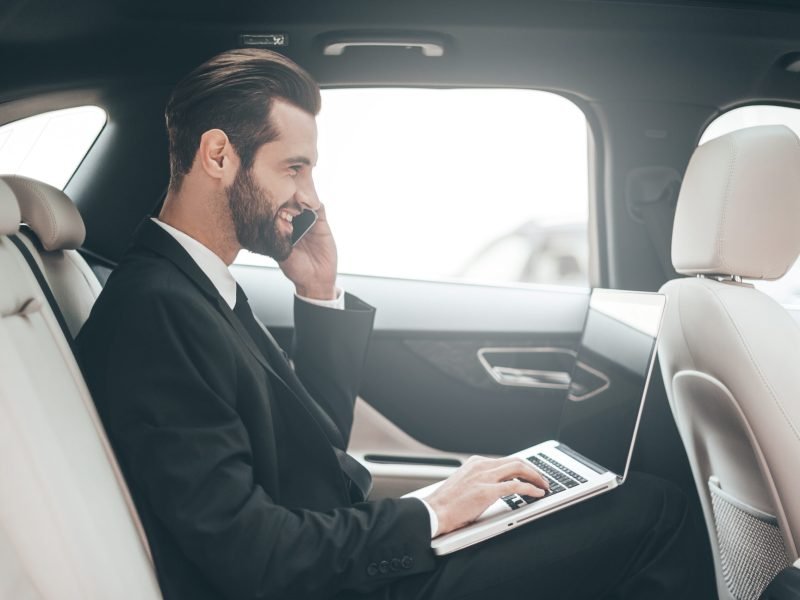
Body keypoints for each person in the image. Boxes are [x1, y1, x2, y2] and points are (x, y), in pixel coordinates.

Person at [77, 48, 708, 600]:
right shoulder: (157, 309)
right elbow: (254, 559)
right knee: (655, 514)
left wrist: (318, 294)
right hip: (328, 582)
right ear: (219, 156)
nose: (312, 197)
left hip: (337, 562)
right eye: (294, 168)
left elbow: (311, 456)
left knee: (607, 506)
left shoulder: (194, 284)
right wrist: (430, 511)